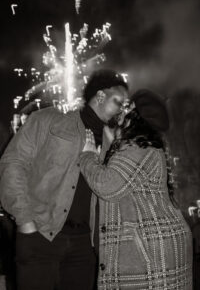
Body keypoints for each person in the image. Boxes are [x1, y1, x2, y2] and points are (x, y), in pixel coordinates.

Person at [0, 69, 129, 290]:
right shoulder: (48, 120)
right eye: (119, 102)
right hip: (40, 235)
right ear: (100, 97)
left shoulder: (115, 144)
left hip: (84, 246)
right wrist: (25, 221)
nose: (123, 109)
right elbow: (13, 164)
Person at [79, 89, 193, 289]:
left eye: (128, 107)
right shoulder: (146, 146)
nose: (122, 111)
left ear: (136, 115)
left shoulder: (138, 148)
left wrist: (87, 156)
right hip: (156, 245)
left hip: (149, 253)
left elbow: (107, 186)